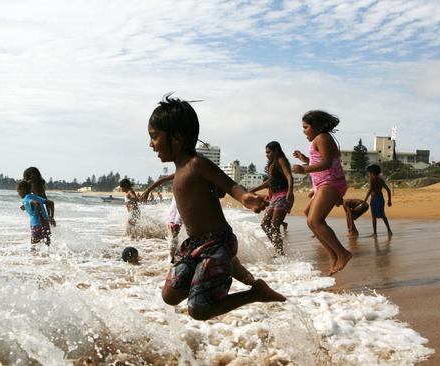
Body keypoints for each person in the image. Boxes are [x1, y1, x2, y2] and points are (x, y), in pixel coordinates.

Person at [148, 94, 285, 321]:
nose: (151, 144)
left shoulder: (197, 164)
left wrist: (245, 198)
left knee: (199, 309)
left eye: (154, 137)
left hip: (217, 243)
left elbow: (230, 185)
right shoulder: (180, 169)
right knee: (169, 295)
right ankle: (230, 264)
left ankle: (256, 292)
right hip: (194, 244)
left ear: (177, 137)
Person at [292, 110, 352, 275]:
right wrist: (304, 159)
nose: (303, 130)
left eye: (305, 127)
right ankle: (333, 255)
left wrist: (304, 169)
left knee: (316, 220)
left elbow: (326, 163)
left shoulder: (323, 138)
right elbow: (319, 160)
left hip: (331, 182)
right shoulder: (317, 140)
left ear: (316, 127)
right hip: (322, 184)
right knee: (309, 216)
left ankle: (343, 254)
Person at [249, 141, 294, 255]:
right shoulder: (271, 164)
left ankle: (280, 253)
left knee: (274, 226)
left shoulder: (281, 160)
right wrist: (254, 190)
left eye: (268, 152)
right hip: (274, 197)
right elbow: (269, 182)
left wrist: (290, 191)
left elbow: (289, 176)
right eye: (266, 152)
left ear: (275, 151)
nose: (266, 154)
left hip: (283, 195)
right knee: (265, 224)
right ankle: (278, 249)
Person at [17, 180, 51, 247]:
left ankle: (35, 257)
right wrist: (50, 217)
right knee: (47, 245)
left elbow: (36, 203)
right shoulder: (35, 196)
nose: (18, 194)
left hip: (36, 225)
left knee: (33, 247)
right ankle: (51, 257)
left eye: (18, 191)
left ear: (23, 189)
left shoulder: (25, 199)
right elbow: (51, 203)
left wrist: (40, 218)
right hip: (46, 223)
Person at [364, 164, 393, 236]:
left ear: (373, 172)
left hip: (374, 200)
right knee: (383, 215)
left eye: (369, 172)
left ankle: (375, 233)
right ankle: (389, 230)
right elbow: (388, 190)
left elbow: (370, 189)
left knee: (373, 217)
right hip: (380, 199)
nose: (369, 174)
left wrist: (365, 200)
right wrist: (389, 201)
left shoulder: (372, 179)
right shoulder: (381, 180)